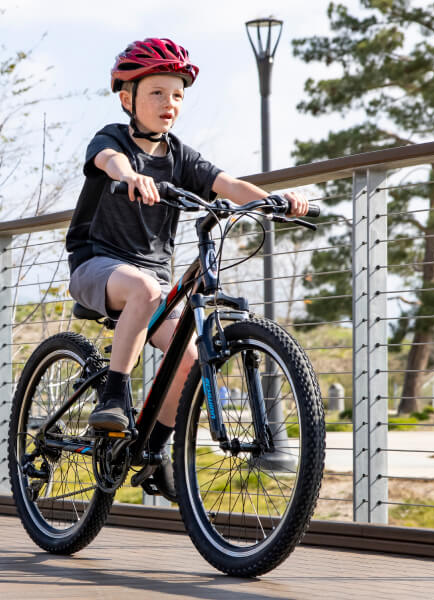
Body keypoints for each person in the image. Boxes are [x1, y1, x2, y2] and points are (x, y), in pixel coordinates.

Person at [66, 38, 308, 501]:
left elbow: (227, 183)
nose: (170, 103)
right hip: (97, 264)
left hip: (153, 281)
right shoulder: (112, 139)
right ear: (127, 99)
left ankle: (152, 452)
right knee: (143, 289)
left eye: (177, 94)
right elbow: (108, 160)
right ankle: (113, 396)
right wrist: (130, 176)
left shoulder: (180, 156)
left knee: (192, 359)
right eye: (157, 92)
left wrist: (276, 202)